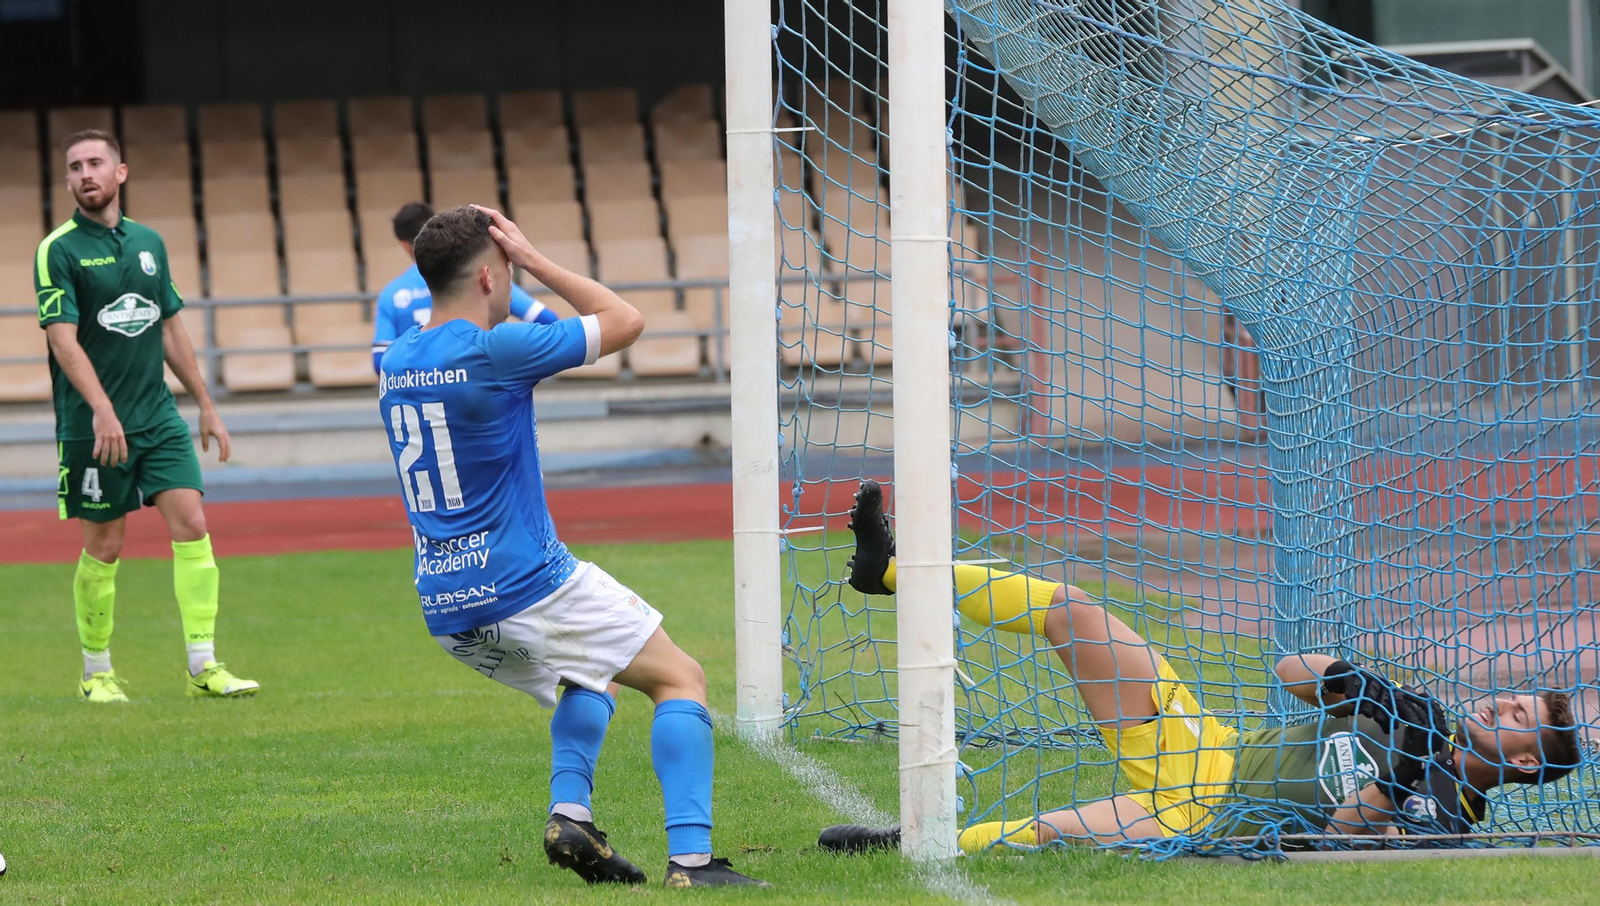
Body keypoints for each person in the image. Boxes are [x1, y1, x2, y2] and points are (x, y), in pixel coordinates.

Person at [819, 481, 1583, 854]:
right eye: (1509, 699)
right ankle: (884, 570)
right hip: (1199, 743)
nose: (1497, 706)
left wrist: (1399, 780)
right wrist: (1365, 688)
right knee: (1075, 609)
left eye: (1517, 719)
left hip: (1207, 820)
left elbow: (1336, 843)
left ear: (1520, 763)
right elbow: (1287, 667)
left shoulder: (1451, 821)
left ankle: (905, 846)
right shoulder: (1415, 715)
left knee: (1048, 835)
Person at [377, 204, 768, 889]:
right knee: (681, 677)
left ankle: (573, 816)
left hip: (444, 599)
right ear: (493, 278)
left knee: (593, 673)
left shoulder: (399, 359)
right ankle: (693, 863)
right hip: (524, 580)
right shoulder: (496, 351)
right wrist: (536, 260)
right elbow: (625, 321)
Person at [36, 129, 259, 703]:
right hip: (93, 426)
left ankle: (203, 665)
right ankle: (97, 672)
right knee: (106, 546)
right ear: (67, 181)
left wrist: (205, 404)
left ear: (120, 173)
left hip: (158, 416)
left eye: (95, 163)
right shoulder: (57, 249)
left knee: (193, 526)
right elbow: (63, 340)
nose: (85, 173)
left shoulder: (149, 244)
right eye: (75, 166)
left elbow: (168, 327)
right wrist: (102, 410)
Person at [370, 201, 557, 372]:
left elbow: (380, 360)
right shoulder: (479, 276)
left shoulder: (392, 294)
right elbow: (547, 319)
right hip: (483, 386)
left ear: (404, 245)